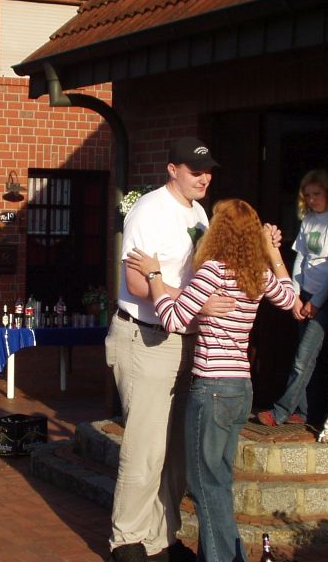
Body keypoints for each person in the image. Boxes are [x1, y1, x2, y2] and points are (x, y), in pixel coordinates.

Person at [126, 198, 296, 562]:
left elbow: (172, 319)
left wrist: (155, 277)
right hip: (241, 388)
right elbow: (289, 298)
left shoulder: (214, 271)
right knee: (219, 481)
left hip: (213, 386)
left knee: (204, 484)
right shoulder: (257, 273)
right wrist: (273, 253)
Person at [107, 137, 239, 562]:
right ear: (172, 169)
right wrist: (197, 302)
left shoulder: (199, 212)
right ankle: (127, 541)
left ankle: (161, 539)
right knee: (145, 447)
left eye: (208, 171)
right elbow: (135, 283)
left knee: (176, 450)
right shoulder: (149, 210)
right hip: (147, 338)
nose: (205, 178)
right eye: (195, 171)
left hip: (186, 339)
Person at [257, 169, 328, 428]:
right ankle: (304, 412)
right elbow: (301, 258)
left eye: (317, 194)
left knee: (304, 358)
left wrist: (317, 302)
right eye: (308, 195)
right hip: (304, 295)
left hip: (322, 299)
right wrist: (295, 296)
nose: (312, 200)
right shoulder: (309, 220)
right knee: (304, 356)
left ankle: (280, 411)